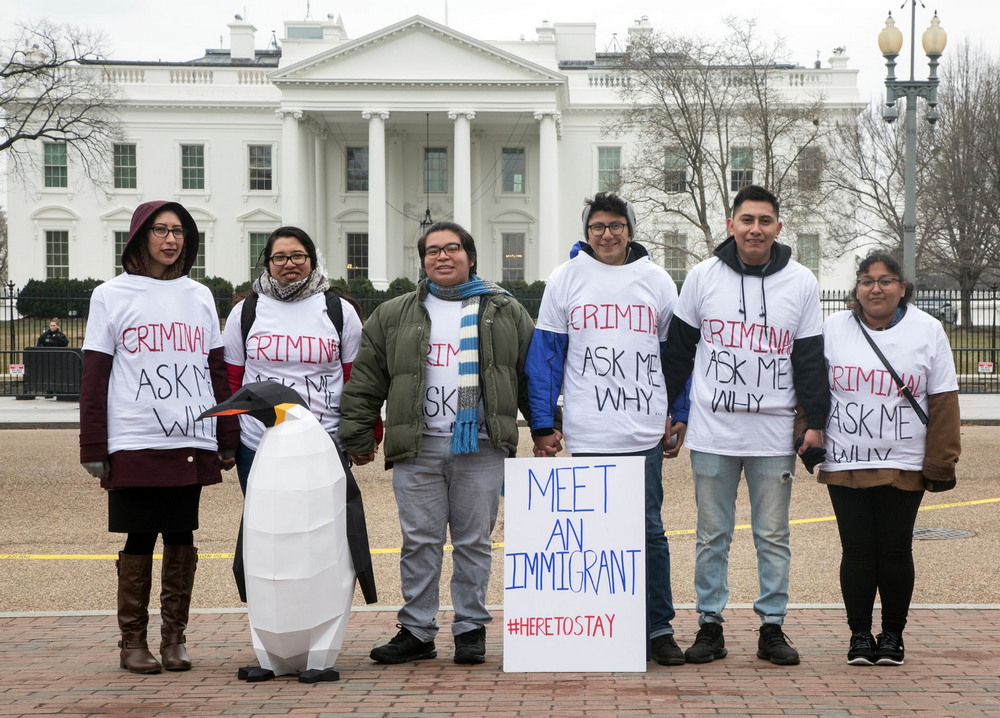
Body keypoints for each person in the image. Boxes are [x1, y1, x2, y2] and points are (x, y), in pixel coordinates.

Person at [340, 220, 534, 666]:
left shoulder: (504, 310)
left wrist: (544, 426)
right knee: (419, 541)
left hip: (481, 444)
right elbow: (368, 378)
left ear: (470, 256)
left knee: (473, 542)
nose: (442, 257)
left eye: (452, 249)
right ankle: (417, 630)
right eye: (432, 251)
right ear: (423, 259)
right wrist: (358, 433)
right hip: (419, 444)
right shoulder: (394, 314)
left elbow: (529, 374)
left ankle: (469, 629)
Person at [663, 185, 829, 666]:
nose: (755, 229)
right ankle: (709, 626)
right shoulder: (701, 277)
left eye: (765, 220)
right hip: (714, 432)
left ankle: (772, 627)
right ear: (731, 224)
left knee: (773, 535)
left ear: (779, 227)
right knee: (712, 535)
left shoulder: (801, 282)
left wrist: (815, 423)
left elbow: (810, 361)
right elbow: (677, 354)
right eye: (747, 220)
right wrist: (672, 413)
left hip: (774, 434)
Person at [525, 191, 689, 666]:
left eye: (616, 225)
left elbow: (674, 356)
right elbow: (547, 356)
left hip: (642, 431)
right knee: (593, 535)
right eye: (598, 226)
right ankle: (601, 622)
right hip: (589, 430)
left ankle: (657, 627)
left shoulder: (656, 280)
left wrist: (677, 412)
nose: (607, 233)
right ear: (587, 233)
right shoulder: (566, 278)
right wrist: (542, 421)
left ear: (630, 230)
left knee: (649, 530)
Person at [79, 200, 239, 674]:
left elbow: (215, 369)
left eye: (179, 232)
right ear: (139, 237)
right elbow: (95, 375)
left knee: (182, 534)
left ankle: (174, 639)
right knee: (138, 536)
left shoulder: (200, 295)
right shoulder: (110, 295)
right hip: (134, 436)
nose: (171, 240)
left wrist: (226, 431)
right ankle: (133, 642)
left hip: (189, 434)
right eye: (160, 231)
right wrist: (93, 444)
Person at [815, 250, 960, 666]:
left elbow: (944, 400)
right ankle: (859, 635)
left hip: (904, 459)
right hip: (846, 458)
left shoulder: (928, 330)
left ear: (902, 287)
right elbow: (813, 389)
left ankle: (893, 635)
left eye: (884, 280)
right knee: (857, 551)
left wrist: (941, 459)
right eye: (866, 280)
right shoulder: (833, 328)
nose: (874, 288)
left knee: (895, 551)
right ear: (856, 289)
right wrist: (807, 437)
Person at [222, 225, 376, 606]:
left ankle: (316, 621)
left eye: (297, 256)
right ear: (267, 263)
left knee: (321, 536)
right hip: (258, 444)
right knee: (268, 537)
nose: (289, 264)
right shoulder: (246, 311)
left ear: (311, 259)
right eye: (280, 257)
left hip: (323, 440)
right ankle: (275, 620)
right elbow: (232, 380)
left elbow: (355, 379)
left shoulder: (340, 311)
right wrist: (225, 440)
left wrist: (365, 432)